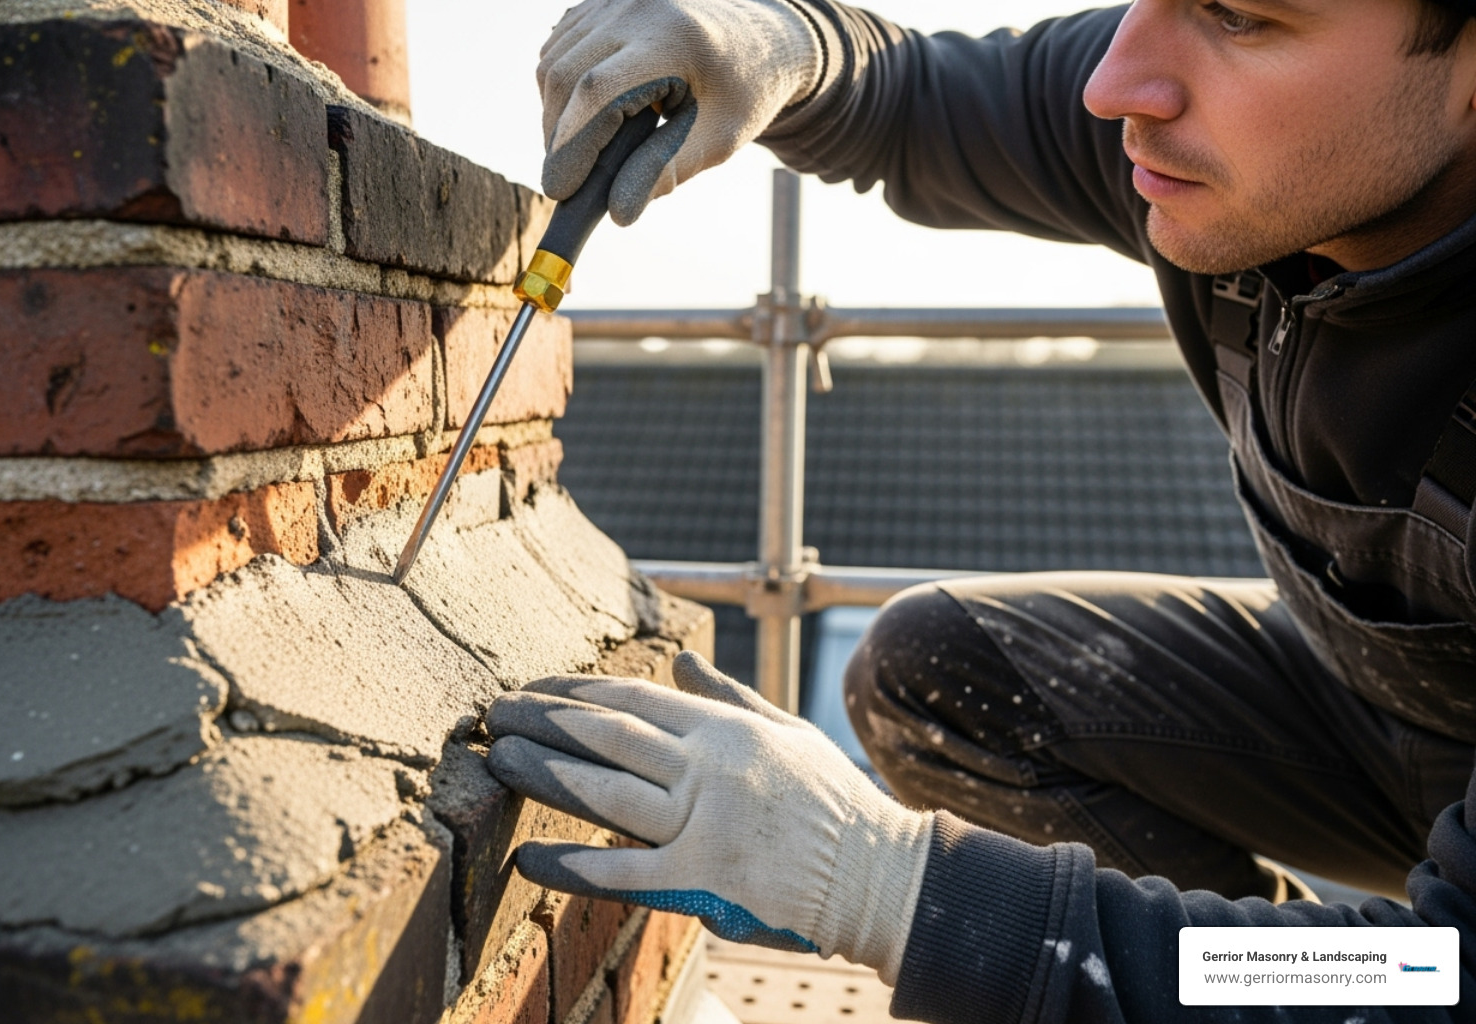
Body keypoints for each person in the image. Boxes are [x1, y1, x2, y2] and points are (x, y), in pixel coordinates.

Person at [483, 2, 1476, 1020]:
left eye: (1237, 15)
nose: (1114, 84)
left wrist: (898, 891)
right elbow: (918, 98)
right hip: (1381, 713)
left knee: (1376, 987)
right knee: (948, 673)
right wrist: (780, 41)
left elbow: (1443, 978)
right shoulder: (1226, 135)